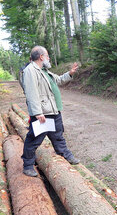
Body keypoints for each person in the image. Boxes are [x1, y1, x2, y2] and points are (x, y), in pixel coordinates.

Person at [20, 46, 80, 177]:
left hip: (54, 110)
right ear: (41, 57)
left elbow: (58, 80)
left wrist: (70, 73)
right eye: (47, 55)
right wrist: (37, 112)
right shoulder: (30, 71)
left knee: (58, 136)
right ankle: (28, 165)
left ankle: (66, 155)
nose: (49, 58)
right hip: (43, 113)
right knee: (34, 139)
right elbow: (31, 93)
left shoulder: (45, 71)